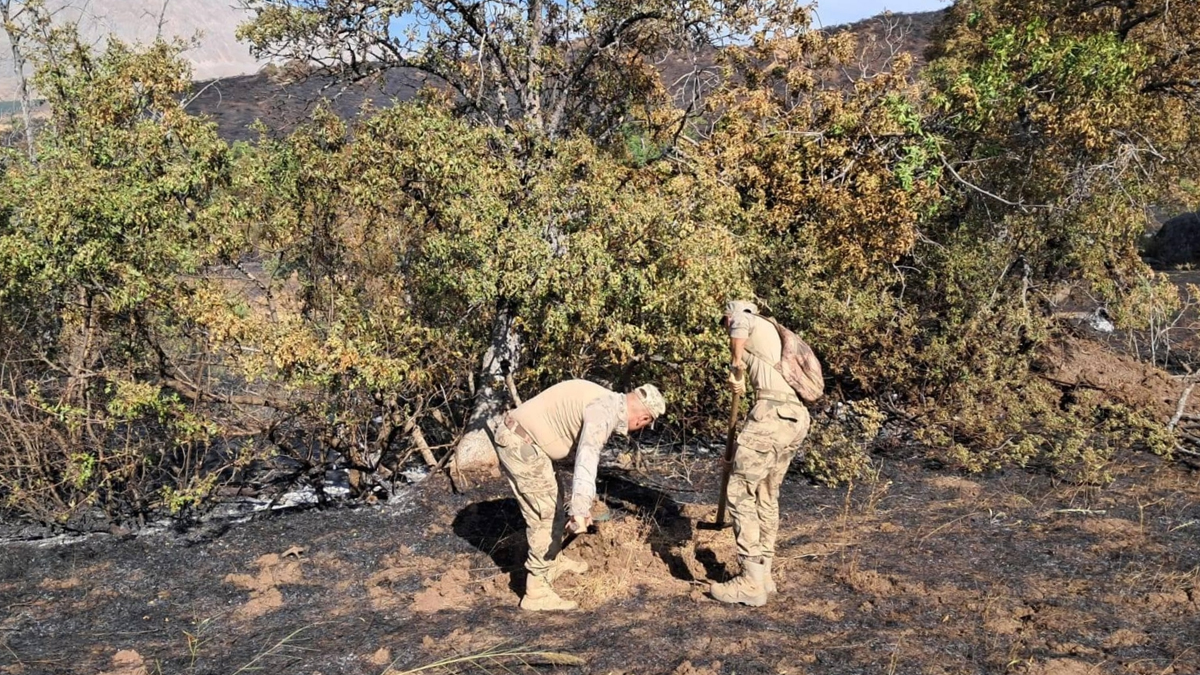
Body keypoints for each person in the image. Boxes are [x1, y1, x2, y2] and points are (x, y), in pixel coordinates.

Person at [486, 379, 666, 611]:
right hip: (519, 442)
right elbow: (587, 458)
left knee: (555, 499)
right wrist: (581, 509)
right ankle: (536, 592)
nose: (639, 428)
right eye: (643, 425)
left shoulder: (606, 399)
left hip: (530, 442)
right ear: (643, 419)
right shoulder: (604, 412)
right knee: (546, 514)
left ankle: (552, 560)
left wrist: (582, 504)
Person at [711, 300, 811, 607]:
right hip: (794, 416)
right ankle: (765, 575)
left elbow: (739, 322)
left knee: (739, 491)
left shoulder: (747, 320)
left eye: (723, 322)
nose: (725, 328)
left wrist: (736, 364)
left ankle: (750, 582)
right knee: (767, 495)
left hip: (772, 414)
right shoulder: (771, 334)